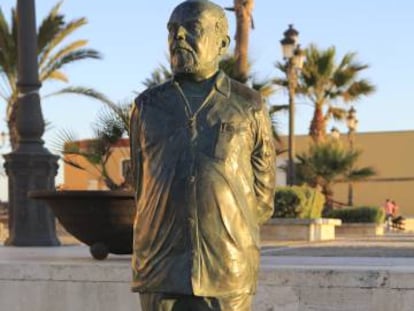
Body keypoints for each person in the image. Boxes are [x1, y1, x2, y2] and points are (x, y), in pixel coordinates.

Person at [129, 0, 276, 310]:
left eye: (192, 28)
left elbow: (263, 195)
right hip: (161, 266)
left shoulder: (249, 104)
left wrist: (228, 223)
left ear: (222, 43)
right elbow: (143, 186)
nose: (178, 37)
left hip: (229, 267)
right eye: (172, 30)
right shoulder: (147, 107)